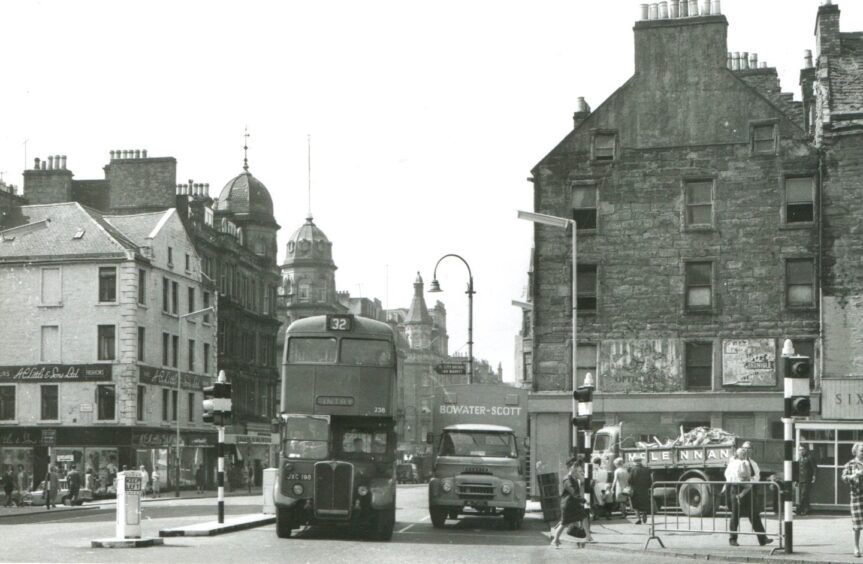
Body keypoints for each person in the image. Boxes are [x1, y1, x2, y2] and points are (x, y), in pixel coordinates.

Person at [725, 444, 771, 547]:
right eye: (743, 450)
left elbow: (757, 476)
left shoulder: (753, 463)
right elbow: (728, 475)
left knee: (754, 514)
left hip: (749, 489)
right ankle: (733, 539)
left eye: (748, 450)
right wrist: (737, 480)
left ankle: (762, 538)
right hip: (736, 488)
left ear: (751, 451)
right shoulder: (733, 463)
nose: (745, 452)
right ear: (738, 453)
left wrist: (749, 481)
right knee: (735, 515)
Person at [550, 456, 593, 548]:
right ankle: (555, 540)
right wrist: (584, 500)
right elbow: (573, 492)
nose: (578, 468)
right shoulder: (567, 480)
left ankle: (588, 536)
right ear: (571, 467)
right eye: (575, 466)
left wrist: (580, 478)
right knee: (564, 523)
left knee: (584, 517)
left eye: (577, 466)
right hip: (568, 504)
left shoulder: (573, 478)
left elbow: (581, 485)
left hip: (573, 503)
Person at [840, 441, 863, 558]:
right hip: (857, 496)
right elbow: (843, 478)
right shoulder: (850, 464)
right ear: (856, 451)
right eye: (862, 450)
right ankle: (856, 547)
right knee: (857, 524)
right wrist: (854, 476)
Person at [629, 457, 653, 524]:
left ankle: (638, 519)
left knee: (635, 505)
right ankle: (644, 513)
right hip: (644, 489)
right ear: (641, 462)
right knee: (644, 503)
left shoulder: (633, 469)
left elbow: (630, 480)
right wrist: (648, 487)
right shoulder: (646, 469)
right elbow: (650, 481)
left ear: (634, 462)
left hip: (635, 489)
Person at [797, 444, 817, 516]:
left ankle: (799, 509)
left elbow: (814, 468)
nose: (801, 451)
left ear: (805, 450)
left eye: (802, 449)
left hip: (807, 479)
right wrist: (796, 480)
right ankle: (807, 509)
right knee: (805, 495)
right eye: (799, 450)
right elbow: (798, 469)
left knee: (803, 495)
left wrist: (814, 476)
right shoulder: (800, 458)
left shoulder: (809, 457)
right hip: (801, 479)